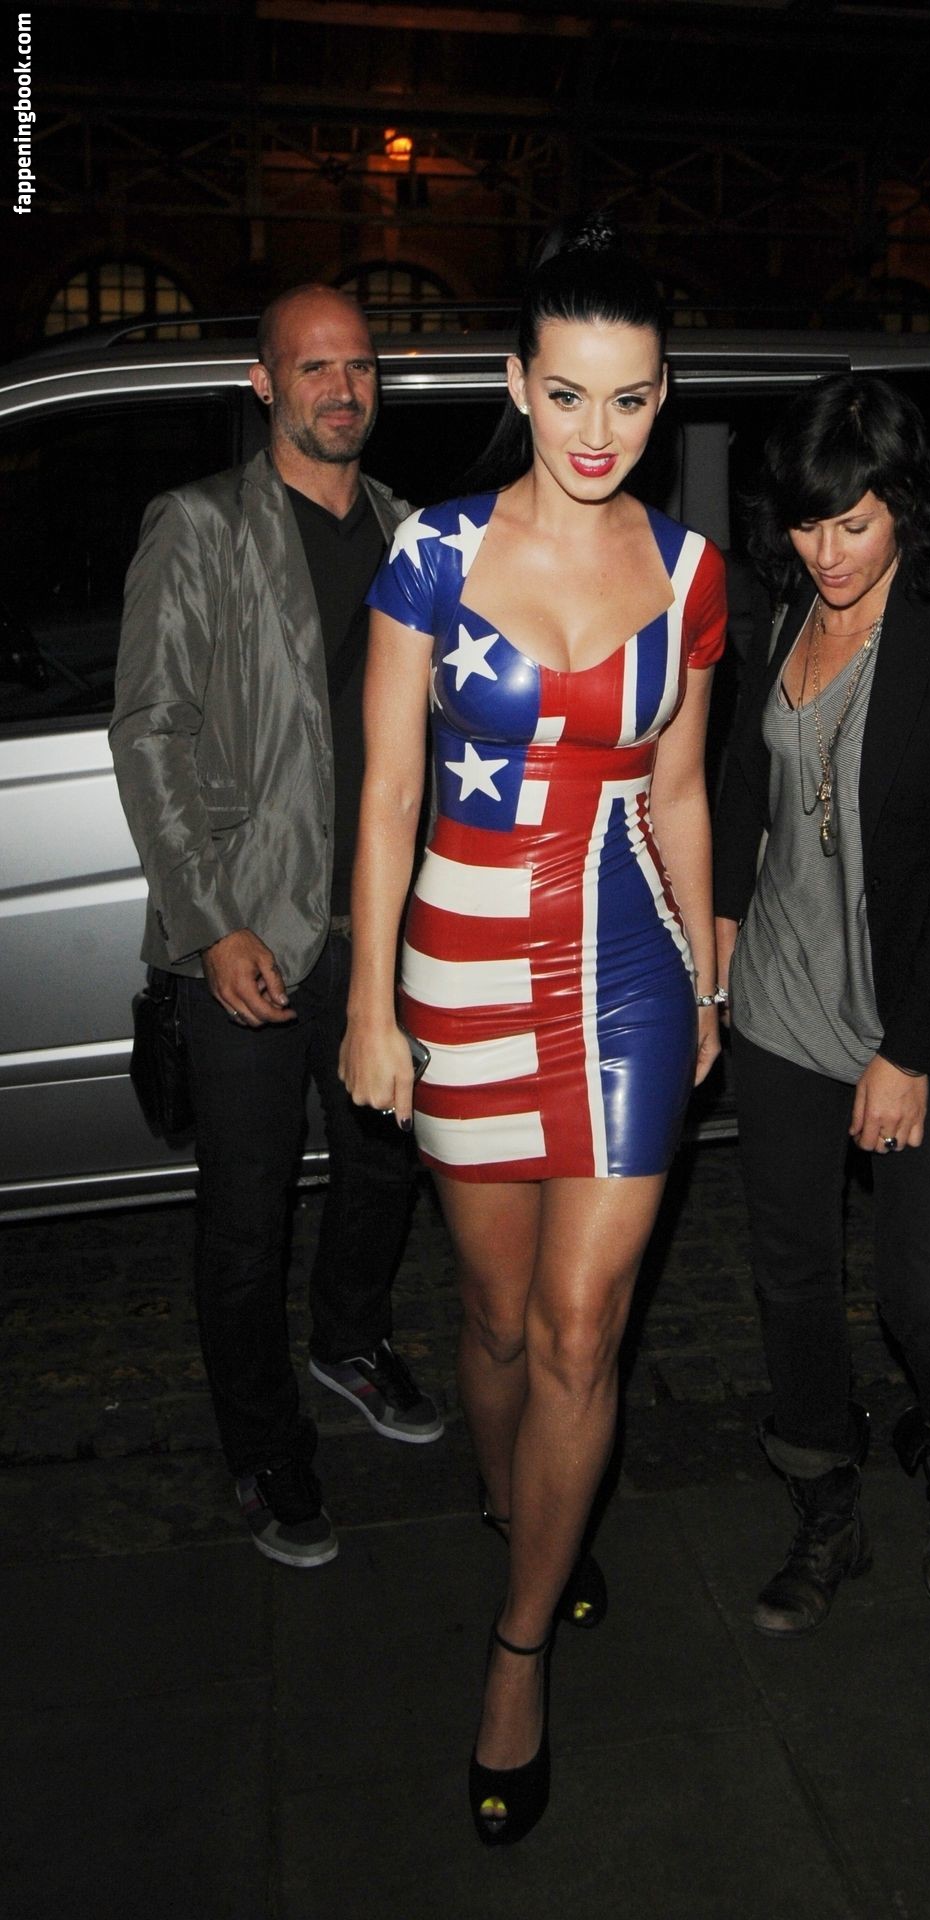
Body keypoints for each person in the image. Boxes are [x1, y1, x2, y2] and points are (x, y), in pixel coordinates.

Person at [339, 223, 726, 1846]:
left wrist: (708, 979)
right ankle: (520, 1512)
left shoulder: (693, 575)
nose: (596, 430)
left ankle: (518, 1651)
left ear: (662, 395)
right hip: (464, 972)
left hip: (628, 971)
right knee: (496, 1326)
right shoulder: (431, 551)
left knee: (581, 1332)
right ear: (516, 382)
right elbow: (385, 794)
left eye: (630, 398)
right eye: (567, 393)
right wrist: (369, 1005)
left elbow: (682, 792)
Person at [110, 284, 442, 1572]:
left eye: (358, 366)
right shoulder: (198, 526)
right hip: (247, 937)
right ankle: (260, 1445)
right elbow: (151, 732)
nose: (342, 389)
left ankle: (349, 1342)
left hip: (381, 930)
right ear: (263, 384)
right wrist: (210, 925)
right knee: (246, 1218)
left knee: (382, 1172)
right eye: (314, 368)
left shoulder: (413, 534)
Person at [713, 374, 930, 1638]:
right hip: (782, 1002)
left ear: (902, 502)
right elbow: (743, 777)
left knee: (923, 1298)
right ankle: (823, 1503)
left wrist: (907, 1051)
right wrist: (721, 927)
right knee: (791, 1279)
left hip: (920, 1016)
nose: (827, 552)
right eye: (805, 524)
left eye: (853, 523)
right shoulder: (783, 606)